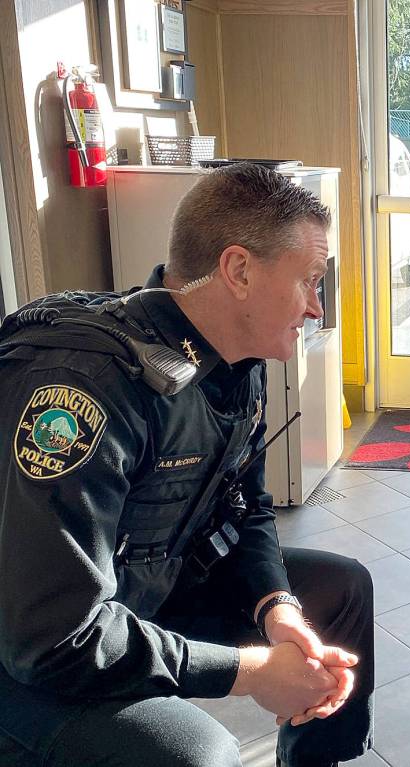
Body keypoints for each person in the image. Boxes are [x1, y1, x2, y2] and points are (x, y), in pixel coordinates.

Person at [0, 163, 374, 767]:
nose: (315, 307)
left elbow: (247, 508)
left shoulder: (233, 361)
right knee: (201, 754)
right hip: (34, 651)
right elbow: (52, 638)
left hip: (140, 591)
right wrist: (250, 671)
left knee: (339, 589)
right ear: (239, 271)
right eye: (309, 281)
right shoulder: (83, 390)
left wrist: (277, 609)